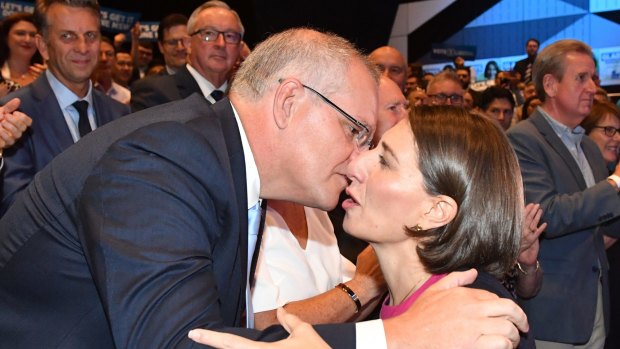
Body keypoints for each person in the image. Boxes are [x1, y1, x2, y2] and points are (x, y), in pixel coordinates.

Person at [0, 27, 527, 348]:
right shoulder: (164, 163)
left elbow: (227, 333)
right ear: (290, 101)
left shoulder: (221, 162)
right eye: (356, 130)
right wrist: (394, 338)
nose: (360, 156)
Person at [189, 106, 535, 348]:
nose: (357, 162)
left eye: (385, 161)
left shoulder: (473, 320)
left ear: (435, 211)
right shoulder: (410, 303)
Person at [508, 39, 620, 348]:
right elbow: (548, 215)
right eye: (581, 78)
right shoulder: (522, 139)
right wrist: (615, 184)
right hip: (552, 310)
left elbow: (606, 224)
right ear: (551, 84)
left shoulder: (587, 146)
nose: (593, 87)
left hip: (594, 304)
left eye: (594, 78)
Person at [0, 0, 129, 216]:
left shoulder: (120, 113)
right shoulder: (12, 114)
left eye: (90, 35)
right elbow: (16, 209)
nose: (82, 48)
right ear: (43, 47)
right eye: (67, 36)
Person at [131, 0, 244, 111]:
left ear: (240, 48)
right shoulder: (154, 93)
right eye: (209, 34)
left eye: (230, 36)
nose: (221, 44)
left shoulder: (247, 97)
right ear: (188, 44)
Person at [580, 101, 620, 349]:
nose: (616, 138)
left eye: (619, 131)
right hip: (595, 290)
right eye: (608, 130)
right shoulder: (588, 187)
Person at [0, 12, 45, 92]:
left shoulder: (47, 76)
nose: (27, 40)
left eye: (32, 35)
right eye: (20, 33)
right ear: (6, 37)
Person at [93, 37, 131, 104]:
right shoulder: (82, 93)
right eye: (99, 54)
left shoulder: (126, 96)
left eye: (109, 54)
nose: (104, 59)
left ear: (115, 61)